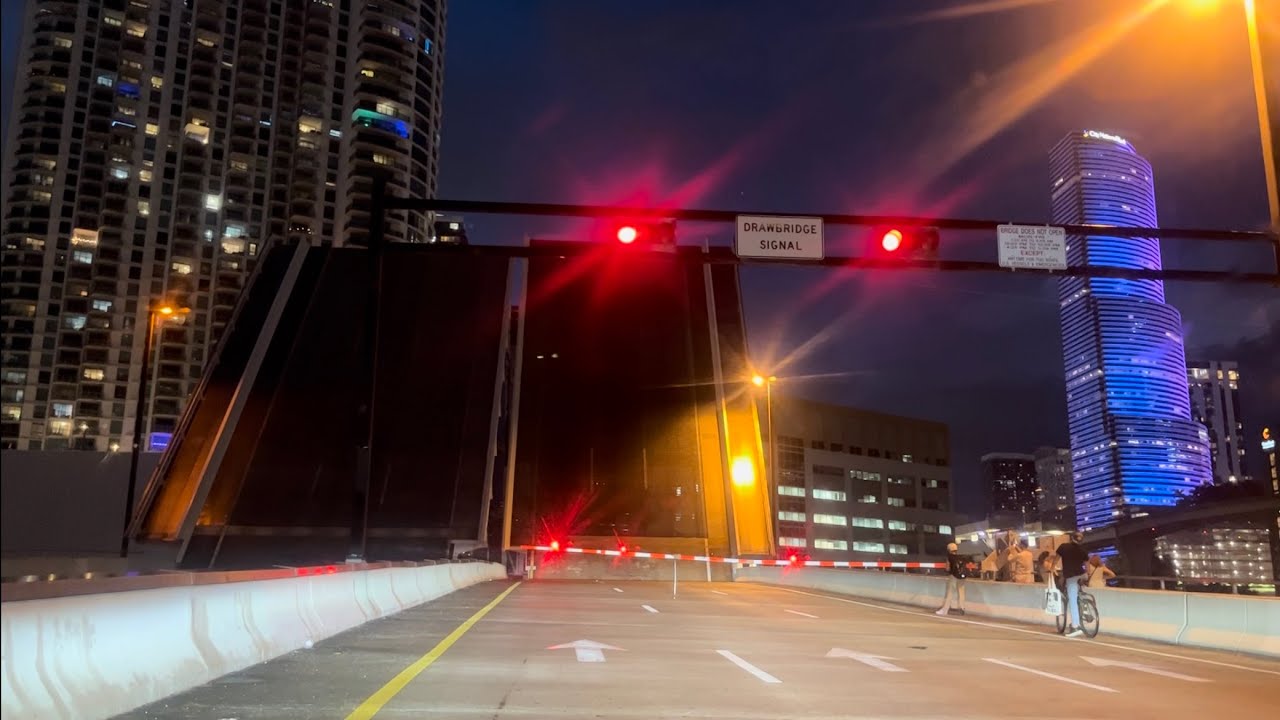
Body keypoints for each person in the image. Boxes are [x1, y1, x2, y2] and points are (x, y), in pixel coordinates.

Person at [1055, 531, 1090, 637]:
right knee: (1077, 590)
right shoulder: (1083, 550)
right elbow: (1087, 564)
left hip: (1071, 576)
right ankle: (1085, 606)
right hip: (1082, 574)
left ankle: (1075, 626)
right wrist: (1087, 574)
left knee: (1072, 599)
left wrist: (1052, 568)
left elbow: (1056, 558)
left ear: (1071, 538)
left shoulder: (1063, 547)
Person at [936, 542, 967, 616]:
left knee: (950, 593)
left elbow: (947, 568)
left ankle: (945, 610)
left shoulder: (949, 557)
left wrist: (947, 570)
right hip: (962, 577)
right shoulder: (961, 557)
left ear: (949, 550)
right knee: (961, 592)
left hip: (953, 576)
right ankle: (962, 608)